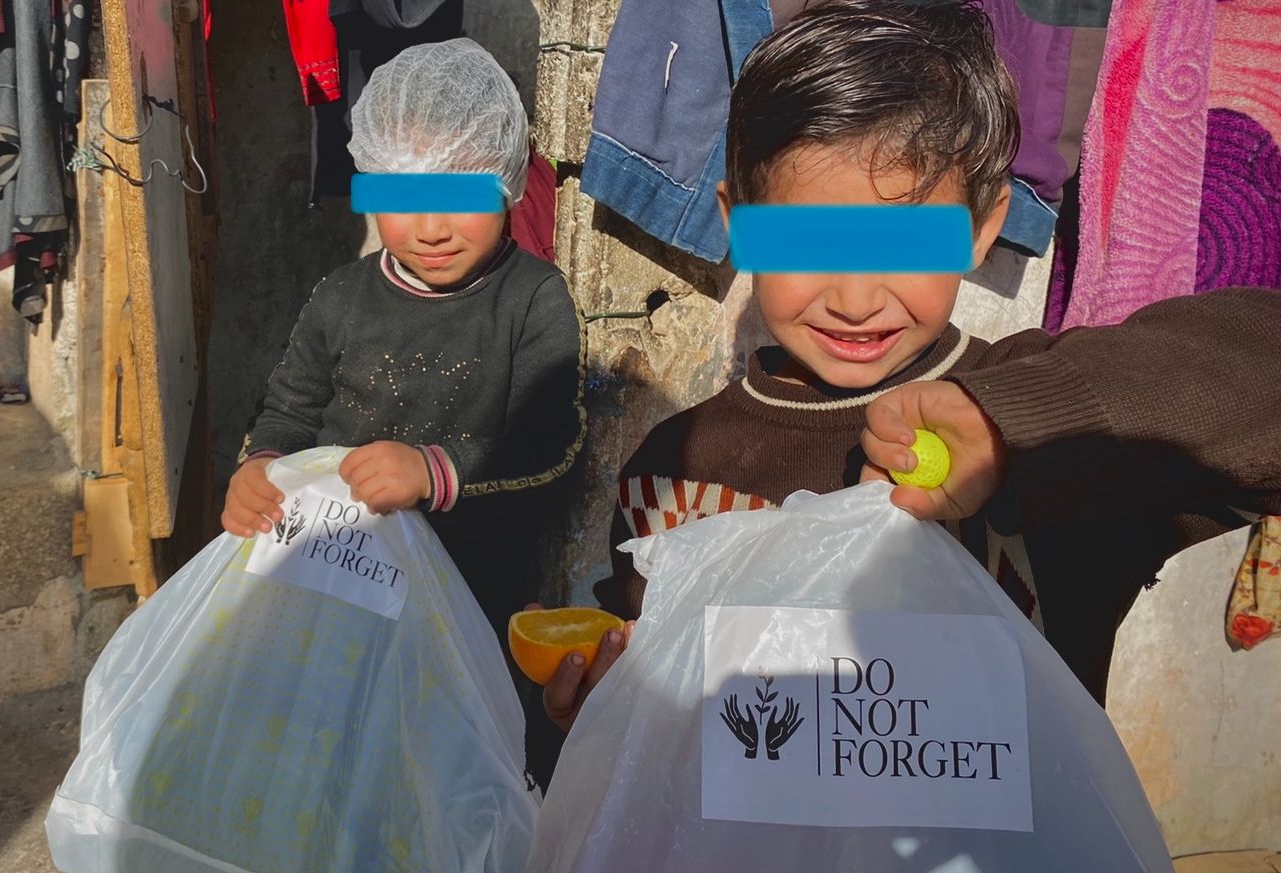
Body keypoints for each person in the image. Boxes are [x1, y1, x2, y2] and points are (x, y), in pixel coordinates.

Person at [540, 0, 1281, 735]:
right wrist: (599, 710)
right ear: (741, 225)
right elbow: (650, 689)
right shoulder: (671, 473)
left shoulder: (1062, 444)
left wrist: (1016, 424)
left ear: (982, 227)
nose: (857, 298)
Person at [220, 38, 587, 786]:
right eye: (402, 198)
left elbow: (554, 449)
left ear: (511, 182)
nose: (432, 227)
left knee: (443, 771)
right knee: (333, 761)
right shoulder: (340, 297)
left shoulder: (534, 300)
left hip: (470, 607)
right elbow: (289, 410)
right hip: (336, 588)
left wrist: (433, 471)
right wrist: (259, 467)